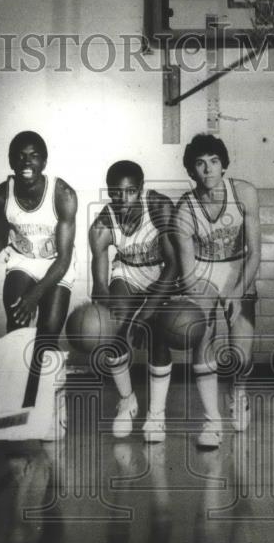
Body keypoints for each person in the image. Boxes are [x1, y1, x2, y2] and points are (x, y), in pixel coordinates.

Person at [0, 130, 77, 409]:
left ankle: (53, 399)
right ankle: (20, 398)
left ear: (45, 161)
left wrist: (36, 295)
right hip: (23, 261)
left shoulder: (63, 195)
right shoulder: (1, 197)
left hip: (57, 264)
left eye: (34, 156)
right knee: (17, 325)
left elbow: (63, 259)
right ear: (11, 161)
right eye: (20, 156)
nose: (27, 162)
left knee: (48, 333)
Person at [172, 134, 261, 449]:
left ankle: (239, 393)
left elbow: (254, 254)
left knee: (241, 355)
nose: (208, 169)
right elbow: (188, 274)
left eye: (213, 162)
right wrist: (201, 306)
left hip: (239, 267)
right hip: (204, 271)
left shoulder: (244, 193)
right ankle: (212, 421)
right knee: (202, 333)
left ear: (224, 165)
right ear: (191, 171)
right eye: (200, 163)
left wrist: (237, 292)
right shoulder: (184, 209)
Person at [89, 161, 178, 442]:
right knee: (113, 329)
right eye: (115, 193)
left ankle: (156, 414)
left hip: (160, 272)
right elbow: (101, 285)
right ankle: (127, 400)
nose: (122, 199)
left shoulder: (159, 208)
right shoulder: (102, 224)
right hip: (126, 272)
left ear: (140, 189)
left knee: (158, 334)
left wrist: (145, 313)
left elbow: (174, 264)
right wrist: (105, 319)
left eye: (129, 192)